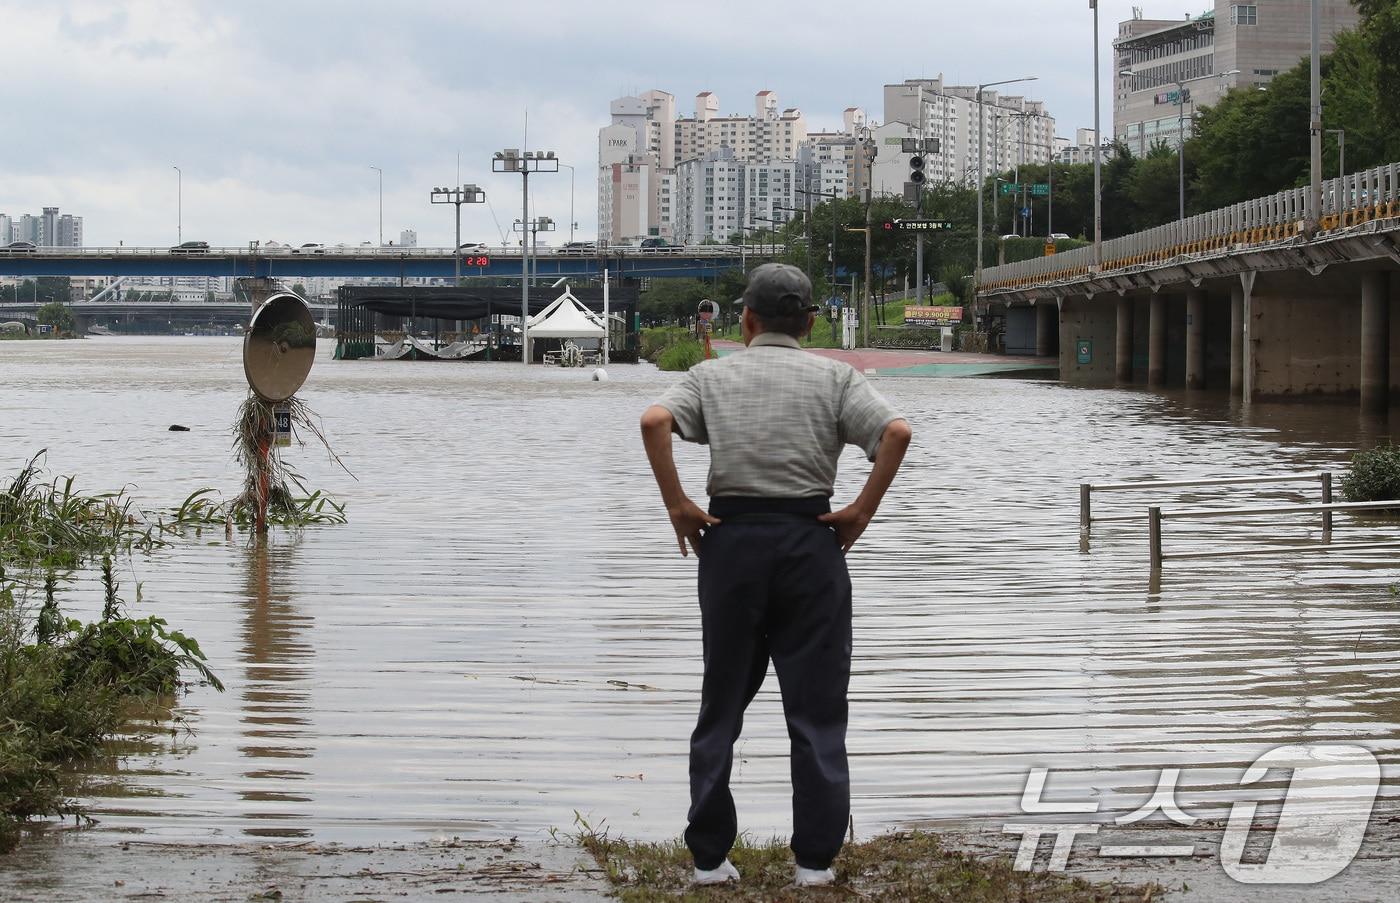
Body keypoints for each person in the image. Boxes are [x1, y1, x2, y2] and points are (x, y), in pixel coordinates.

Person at [639, 263, 911, 888]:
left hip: (729, 544)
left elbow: (656, 422)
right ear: (810, 321)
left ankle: (710, 858)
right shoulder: (837, 377)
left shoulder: (711, 375)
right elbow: (895, 431)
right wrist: (860, 511)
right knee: (815, 709)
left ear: (747, 319)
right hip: (811, 542)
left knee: (722, 704)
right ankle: (814, 862)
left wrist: (678, 505)